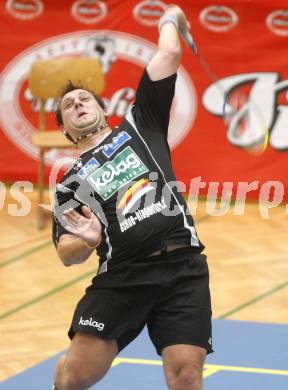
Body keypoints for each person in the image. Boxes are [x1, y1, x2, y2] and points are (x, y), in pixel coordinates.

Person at [52, 5, 212, 390]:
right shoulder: (70, 184)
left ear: (102, 108)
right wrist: (86, 242)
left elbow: (169, 54)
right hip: (122, 278)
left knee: (186, 373)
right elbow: (65, 251)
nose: (77, 104)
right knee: (75, 377)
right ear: (65, 129)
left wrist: (171, 18)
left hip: (182, 269)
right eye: (68, 106)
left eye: (84, 98)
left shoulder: (142, 123)